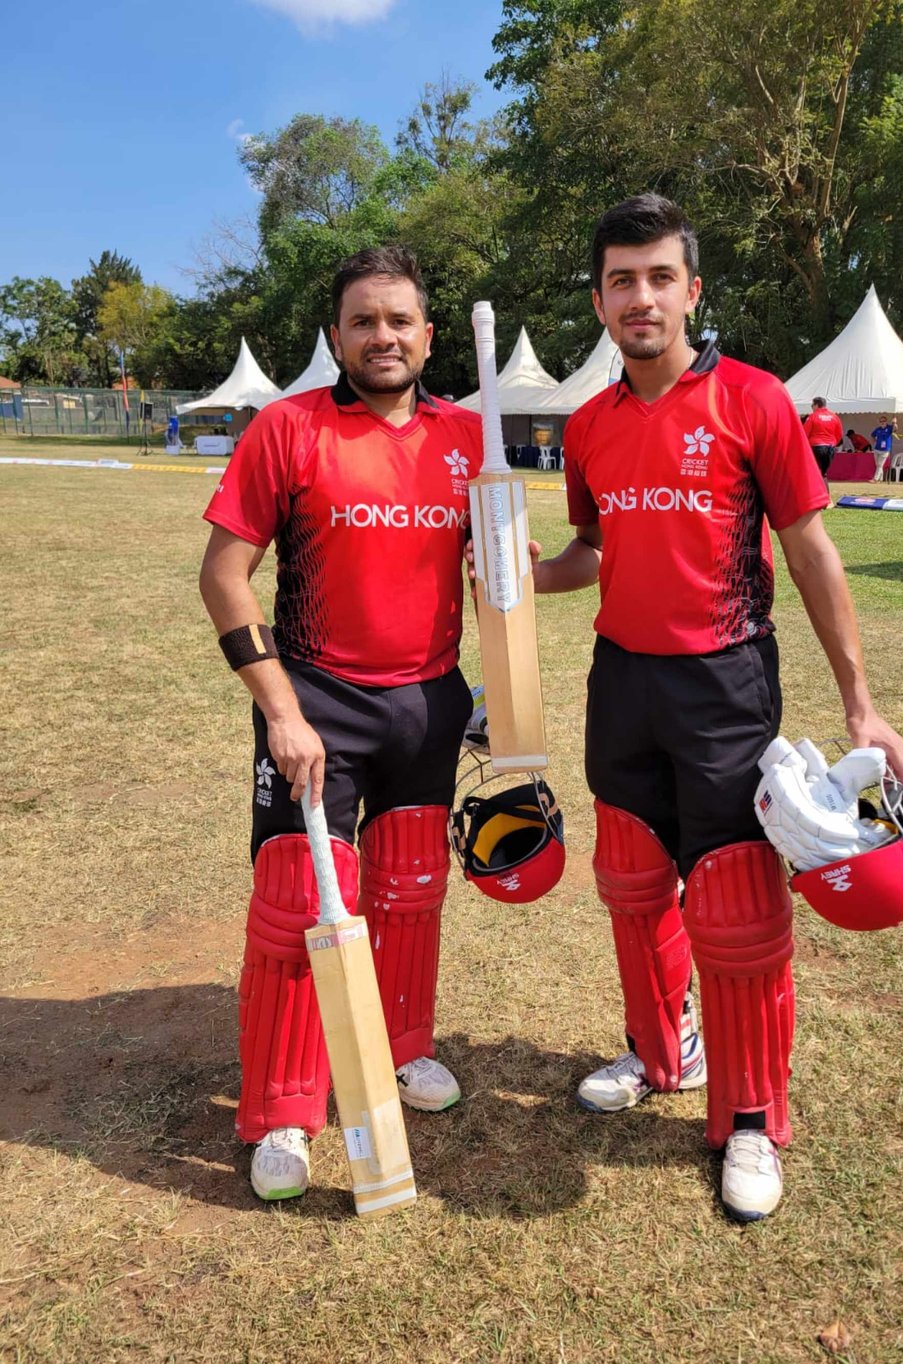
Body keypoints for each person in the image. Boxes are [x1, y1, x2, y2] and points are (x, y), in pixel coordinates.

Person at [529, 195, 903, 1222]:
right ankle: (664, 1053)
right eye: (620, 279)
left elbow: (810, 548)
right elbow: (592, 553)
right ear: (600, 299)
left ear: (691, 290)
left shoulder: (752, 401)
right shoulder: (591, 425)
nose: (639, 296)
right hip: (621, 678)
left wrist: (860, 705)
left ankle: (750, 1116)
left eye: (659, 277)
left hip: (724, 681)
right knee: (628, 877)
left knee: (735, 904)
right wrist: (523, 572)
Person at [199, 245, 482, 1202]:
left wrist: (508, 567)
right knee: (296, 904)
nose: (383, 337)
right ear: (336, 336)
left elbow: (485, 570)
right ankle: (283, 1106)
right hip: (317, 703)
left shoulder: (466, 438)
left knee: (410, 888)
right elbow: (224, 575)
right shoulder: (288, 428)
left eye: (399, 320)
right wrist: (279, 708)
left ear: (428, 334)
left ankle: (402, 1046)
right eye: (363, 321)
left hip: (430, 700)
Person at [803, 396, 843, 481]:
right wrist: (833, 443)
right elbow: (839, 434)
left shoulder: (812, 417)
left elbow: (805, 433)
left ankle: (815, 492)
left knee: (814, 472)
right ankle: (825, 493)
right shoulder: (834, 416)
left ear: (816, 405)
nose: (812, 407)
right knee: (823, 474)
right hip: (830, 447)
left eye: (812, 405)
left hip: (816, 447)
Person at [871, 416, 899, 481]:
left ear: (886, 421)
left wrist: (894, 423)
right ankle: (880, 479)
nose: (882, 422)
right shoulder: (878, 429)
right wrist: (874, 441)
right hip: (877, 449)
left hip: (885, 450)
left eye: (883, 421)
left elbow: (895, 429)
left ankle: (875, 479)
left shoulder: (889, 428)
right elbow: (872, 435)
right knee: (877, 464)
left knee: (880, 464)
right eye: (881, 421)